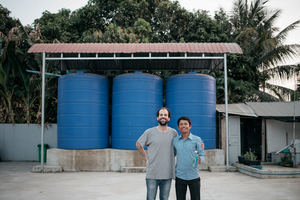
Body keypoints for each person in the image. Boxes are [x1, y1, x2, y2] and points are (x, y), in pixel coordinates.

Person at [136, 107, 178, 200]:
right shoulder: (149, 132)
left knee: (164, 198)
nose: (163, 117)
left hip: (167, 174)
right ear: (157, 118)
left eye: (165, 115)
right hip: (152, 174)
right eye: (161, 115)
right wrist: (146, 158)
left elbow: (177, 149)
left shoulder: (174, 133)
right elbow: (138, 144)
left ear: (169, 118)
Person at [173, 116, 205, 200]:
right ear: (178, 127)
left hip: (194, 176)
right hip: (180, 176)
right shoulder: (175, 140)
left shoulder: (197, 139)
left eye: (185, 124)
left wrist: (200, 159)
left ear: (190, 126)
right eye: (181, 124)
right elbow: (172, 154)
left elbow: (202, 154)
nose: (183, 126)